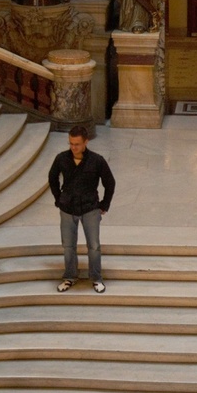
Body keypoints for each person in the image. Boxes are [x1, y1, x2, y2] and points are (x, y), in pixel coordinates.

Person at [47, 125, 115, 293]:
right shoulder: (61, 158)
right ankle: (70, 276)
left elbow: (110, 182)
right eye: (71, 143)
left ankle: (96, 278)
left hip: (90, 208)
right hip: (67, 208)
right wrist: (58, 199)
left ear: (86, 142)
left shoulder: (97, 160)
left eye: (77, 144)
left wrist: (104, 205)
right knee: (68, 245)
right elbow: (52, 178)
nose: (73, 147)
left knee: (94, 245)